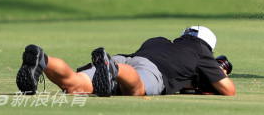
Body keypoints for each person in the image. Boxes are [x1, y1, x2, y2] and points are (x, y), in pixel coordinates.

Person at [15, 25, 236, 96]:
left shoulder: (159, 40)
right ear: (208, 45)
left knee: (73, 85)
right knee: (137, 88)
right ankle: (112, 69)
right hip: (144, 70)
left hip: (127, 58)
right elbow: (229, 90)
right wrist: (217, 72)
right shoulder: (201, 51)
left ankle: (43, 61)